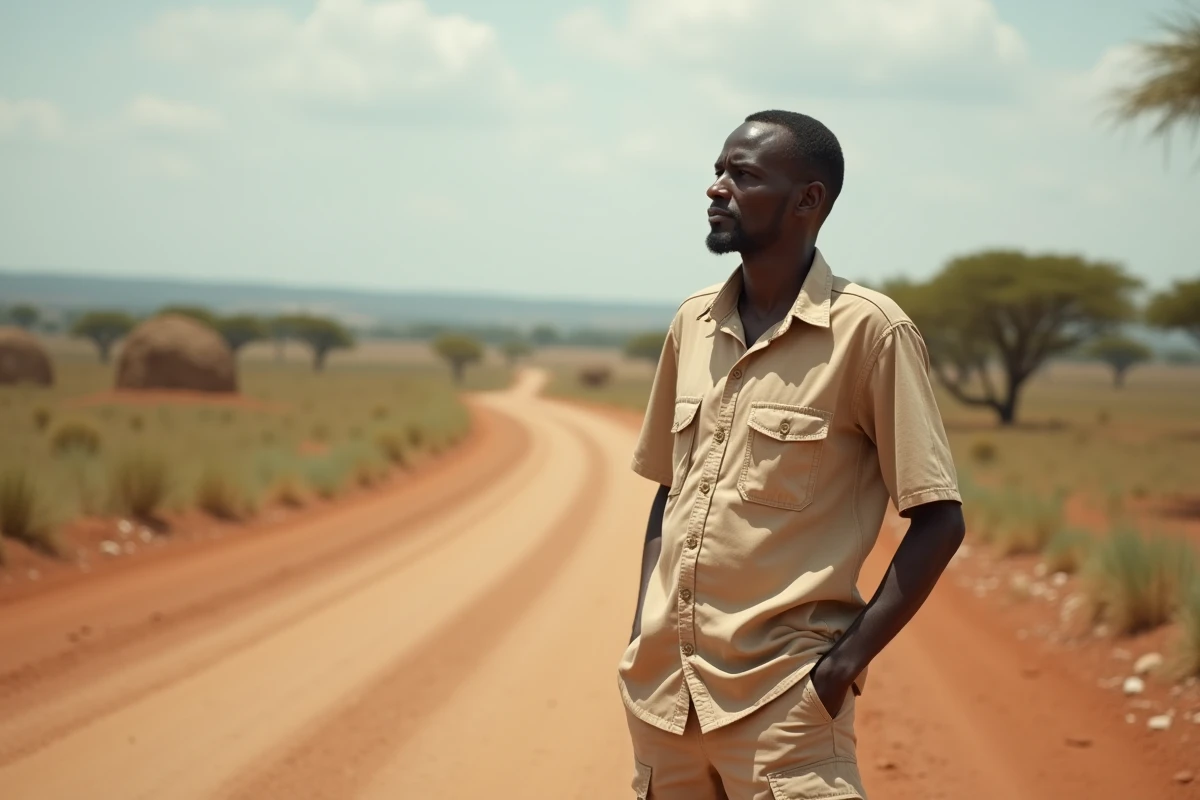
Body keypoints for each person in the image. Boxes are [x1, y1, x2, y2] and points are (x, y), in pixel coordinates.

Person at [619, 110, 965, 800]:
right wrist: (640, 631)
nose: (717, 189)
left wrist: (839, 669)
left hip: (783, 704)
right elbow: (669, 489)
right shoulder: (693, 323)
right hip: (664, 701)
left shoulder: (870, 332)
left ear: (809, 200)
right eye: (719, 171)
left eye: (742, 175)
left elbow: (939, 519)